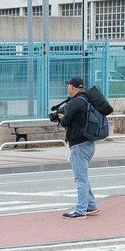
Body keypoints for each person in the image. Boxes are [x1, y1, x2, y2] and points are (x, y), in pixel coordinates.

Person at [52, 76, 112, 219]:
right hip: (88, 143)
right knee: (83, 177)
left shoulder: (75, 102)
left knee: (80, 179)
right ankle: (91, 206)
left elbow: (66, 121)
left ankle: (80, 210)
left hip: (79, 145)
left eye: (69, 86)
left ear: (72, 87)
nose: (68, 88)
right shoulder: (86, 99)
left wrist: (61, 117)